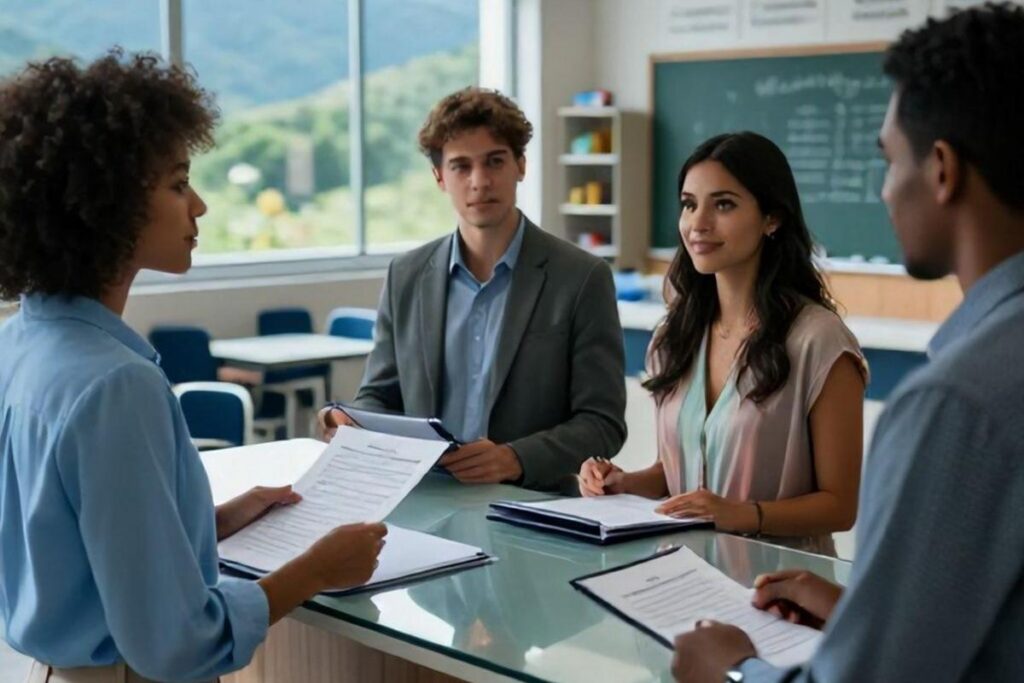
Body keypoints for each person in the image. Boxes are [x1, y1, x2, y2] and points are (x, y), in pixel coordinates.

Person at [0, 52, 386, 683]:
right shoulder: (115, 384)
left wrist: (209, 522)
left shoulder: (19, 345)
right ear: (108, 203)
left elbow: (66, 542)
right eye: (178, 184)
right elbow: (179, 642)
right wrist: (317, 568)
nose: (200, 206)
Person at [671, 4, 1024, 681]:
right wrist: (865, 606)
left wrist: (737, 672)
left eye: (889, 160)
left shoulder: (957, 402)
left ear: (943, 169)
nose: (885, 189)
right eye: (689, 203)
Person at [320, 87, 627, 491]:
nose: (480, 181)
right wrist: (353, 420)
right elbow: (380, 395)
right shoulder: (406, 275)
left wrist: (514, 458)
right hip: (421, 500)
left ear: (521, 164)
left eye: (495, 161)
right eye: (461, 167)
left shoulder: (581, 276)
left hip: (531, 511)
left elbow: (602, 422)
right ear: (439, 177)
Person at [579, 132, 866, 553]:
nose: (698, 223)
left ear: (772, 218)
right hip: (683, 580)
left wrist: (743, 513)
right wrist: (625, 483)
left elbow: (841, 507)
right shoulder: (673, 338)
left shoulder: (819, 342)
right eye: (689, 204)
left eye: (724, 204)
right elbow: (680, 473)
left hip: (781, 591)